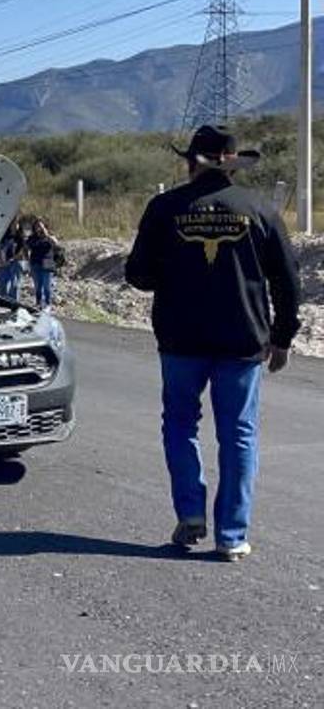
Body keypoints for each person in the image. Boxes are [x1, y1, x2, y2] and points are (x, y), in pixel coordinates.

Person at [125, 125, 301, 562]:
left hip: (181, 340)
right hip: (242, 341)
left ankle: (190, 514)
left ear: (190, 162)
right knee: (239, 434)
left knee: (180, 425)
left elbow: (138, 276)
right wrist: (282, 338)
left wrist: (174, 270)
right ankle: (232, 535)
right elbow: (287, 281)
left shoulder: (165, 208)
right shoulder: (258, 209)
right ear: (233, 162)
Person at [25, 217, 59, 309]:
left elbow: (56, 243)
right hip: (35, 264)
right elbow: (26, 248)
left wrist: (46, 234)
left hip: (47, 264)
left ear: (44, 226)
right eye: (36, 226)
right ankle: (38, 303)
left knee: (47, 286)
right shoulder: (32, 238)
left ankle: (47, 304)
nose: (38, 228)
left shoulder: (49, 236)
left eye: (40, 226)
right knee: (38, 286)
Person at [0, 217, 26, 301]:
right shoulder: (4, 236)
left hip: (16, 262)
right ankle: (2, 300)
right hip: (4, 262)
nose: (14, 225)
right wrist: (1, 259)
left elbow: (22, 251)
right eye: (12, 223)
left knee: (14, 284)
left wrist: (12, 259)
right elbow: (0, 249)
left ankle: (13, 302)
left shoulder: (20, 237)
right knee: (2, 283)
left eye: (16, 223)